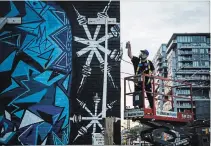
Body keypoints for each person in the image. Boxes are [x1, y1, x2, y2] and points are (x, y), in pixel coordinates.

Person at [126, 41, 155, 109]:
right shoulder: (137, 60)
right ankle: (140, 108)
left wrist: (152, 74)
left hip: (147, 83)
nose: (141, 54)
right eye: (141, 53)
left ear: (146, 55)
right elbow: (130, 55)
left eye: (143, 53)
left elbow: (153, 70)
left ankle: (153, 110)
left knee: (150, 96)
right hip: (138, 83)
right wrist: (129, 47)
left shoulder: (149, 62)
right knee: (138, 96)